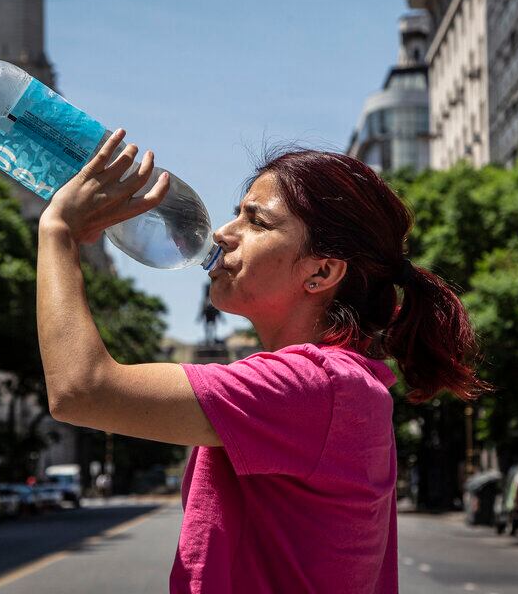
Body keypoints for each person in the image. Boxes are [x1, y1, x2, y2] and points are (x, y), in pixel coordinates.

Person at [36, 129, 488, 593]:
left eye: (257, 222)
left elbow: (82, 390)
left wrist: (58, 232)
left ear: (321, 271)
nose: (222, 234)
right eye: (238, 214)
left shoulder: (311, 386)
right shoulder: (339, 382)